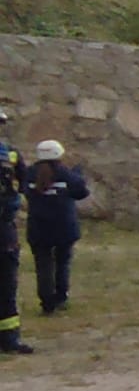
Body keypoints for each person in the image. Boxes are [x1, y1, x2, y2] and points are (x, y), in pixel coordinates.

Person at [24, 141, 89, 315]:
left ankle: (46, 303)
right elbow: (82, 192)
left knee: (43, 265)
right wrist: (78, 174)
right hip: (64, 227)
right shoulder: (66, 174)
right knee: (62, 262)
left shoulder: (30, 174)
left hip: (38, 228)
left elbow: (27, 192)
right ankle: (61, 297)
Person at [0, 110, 27, 355]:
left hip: (4, 228)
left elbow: (25, 180)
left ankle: (9, 339)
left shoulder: (11, 153)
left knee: (7, 285)